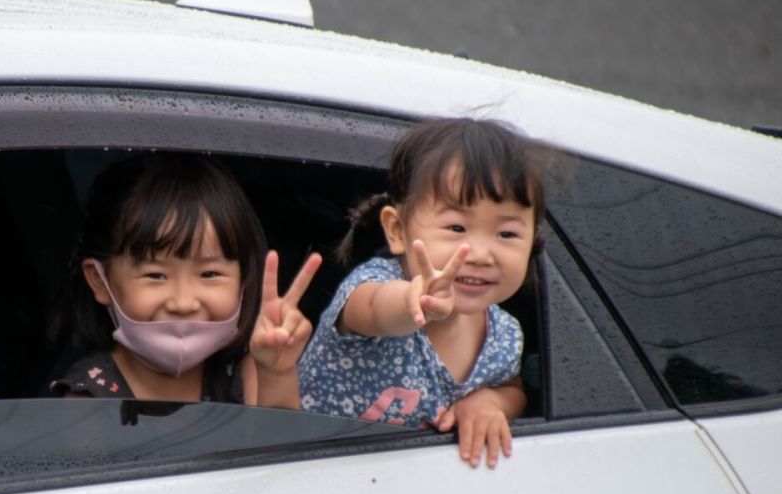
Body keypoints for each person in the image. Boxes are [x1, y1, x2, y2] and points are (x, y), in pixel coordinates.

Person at [298, 118, 548, 468]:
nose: (480, 253)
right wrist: (416, 303)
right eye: (456, 227)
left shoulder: (505, 334)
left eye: (506, 234)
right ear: (397, 230)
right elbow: (373, 310)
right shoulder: (373, 285)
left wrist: (490, 403)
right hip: (305, 477)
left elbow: (513, 389)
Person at [48, 153, 320, 408]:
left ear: (244, 280)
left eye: (209, 274)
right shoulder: (86, 400)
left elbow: (276, 449)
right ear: (99, 280)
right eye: (156, 275)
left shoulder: (244, 370)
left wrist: (277, 372)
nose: (183, 302)